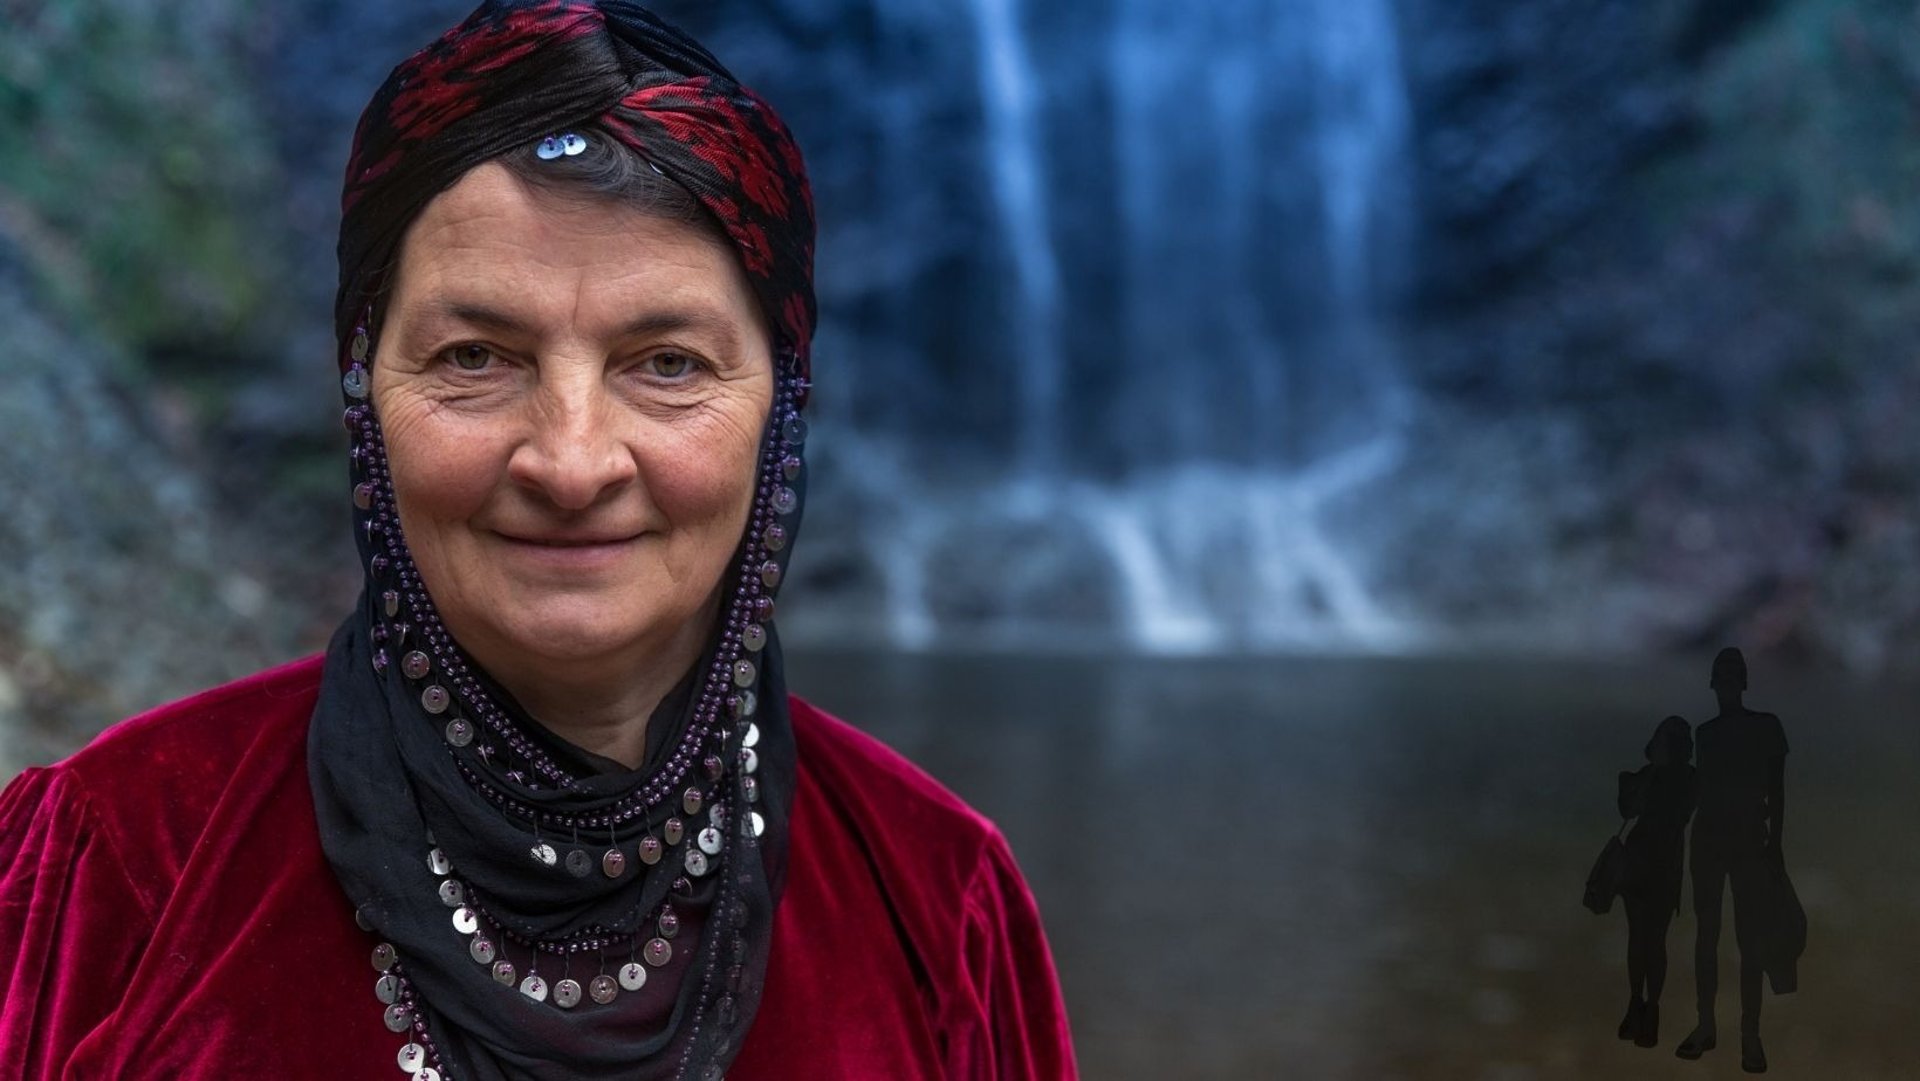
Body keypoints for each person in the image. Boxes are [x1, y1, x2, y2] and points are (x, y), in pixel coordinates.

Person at [0, 3, 1078, 1078]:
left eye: (667, 363)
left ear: (781, 406)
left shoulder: (939, 905)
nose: (571, 463)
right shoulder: (111, 872)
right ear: (362, 391)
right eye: (475, 357)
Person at [1676, 646, 1788, 1074]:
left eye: (1730, 675)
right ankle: (1709, 1026)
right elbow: (1701, 791)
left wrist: (1775, 845)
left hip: (1745, 841)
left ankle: (1749, 1035)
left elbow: (1777, 791)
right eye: (1721, 675)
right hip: (1711, 840)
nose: (1725, 683)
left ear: (1739, 682)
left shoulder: (1765, 728)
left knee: (1747, 939)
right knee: (1709, 936)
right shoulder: (1707, 734)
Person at [1614, 715, 1696, 1049]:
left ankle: (1642, 1005)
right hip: (1657, 863)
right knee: (1649, 938)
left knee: (1644, 937)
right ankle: (1645, 1006)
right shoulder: (1685, 779)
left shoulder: (1670, 779)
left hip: (1649, 861)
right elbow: (1630, 810)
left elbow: (1629, 811)